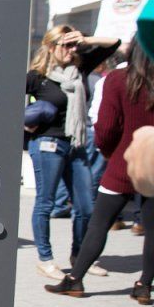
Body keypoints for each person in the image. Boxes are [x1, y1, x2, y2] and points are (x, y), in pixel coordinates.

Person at [45, 42, 154, 296]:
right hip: (152, 163)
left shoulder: (118, 79)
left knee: (99, 224)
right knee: (152, 229)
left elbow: (105, 127)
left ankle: (75, 279)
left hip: (122, 160)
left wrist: (109, 153)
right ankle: (144, 285)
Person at [27, 26, 119, 279]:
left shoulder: (79, 69)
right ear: (51, 46)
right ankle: (45, 259)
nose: (71, 50)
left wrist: (85, 39)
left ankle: (80, 257)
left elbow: (113, 43)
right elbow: (5, 100)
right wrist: (24, 123)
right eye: (65, 45)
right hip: (47, 144)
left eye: (73, 45)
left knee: (86, 206)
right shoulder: (37, 76)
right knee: (45, 203)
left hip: (76, 145)